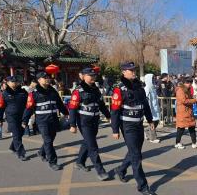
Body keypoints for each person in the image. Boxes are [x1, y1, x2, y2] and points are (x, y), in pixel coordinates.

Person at [111, 62, 156, 195]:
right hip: (127, 126)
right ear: (124, 72)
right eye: (130, 70)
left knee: (134, 152)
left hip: (139, 124)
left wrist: (150, 119)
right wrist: (115, 130)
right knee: (136, 156)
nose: (133, 71)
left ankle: (121, 170)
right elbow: (114, 110)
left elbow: (145, 105)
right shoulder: (119, 89)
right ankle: (142, 186)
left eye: (134, 69)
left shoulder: (139, 87)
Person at [69, 67, 111, 181]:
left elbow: (101, 104)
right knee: (93, 146)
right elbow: (72, 108)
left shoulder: (96, 89)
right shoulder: (78, 91)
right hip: (84, 121)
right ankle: (100, 171)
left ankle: (79, 162)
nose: (93, 77)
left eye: (94, 75)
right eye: (90, 75)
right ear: (83, 76)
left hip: (95, 120)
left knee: (87, 142)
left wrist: (108, 115)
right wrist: (72, 125)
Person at [22, 72, 69, 171]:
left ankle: (41, 152)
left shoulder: (53, 90)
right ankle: (52, 162)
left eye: (48, 77)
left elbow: (59, 104)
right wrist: (25, 120)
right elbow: (29, 108)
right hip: (42, 121)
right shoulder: (34, 93)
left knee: (51, 139)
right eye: (44, 78)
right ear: (39, 80)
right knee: (48, 140)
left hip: (53, 119)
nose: (47, 79)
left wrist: (66, 113)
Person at [0, 76, 28, 161]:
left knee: (21, 133)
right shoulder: (4, 93)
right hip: (11, 117)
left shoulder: (23, 92)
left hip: (22, 116)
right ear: (8, 83)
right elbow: (0, 107)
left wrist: (29, 114)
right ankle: (21, 153)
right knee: (16, 134)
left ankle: (13, 147)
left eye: (16, 81)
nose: (14, 83)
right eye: (12, 81)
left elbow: (28, 105)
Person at [174, 77, 197, 149]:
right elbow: (184, 101)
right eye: (188, 83)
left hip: (188, 111)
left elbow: (190, 98)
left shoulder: (186, 90)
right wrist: (194, 100)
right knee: (181, 128)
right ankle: (177, 143)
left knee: (192, 127)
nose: (189, 85)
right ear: (184, 83)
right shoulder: (180, 90)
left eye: (190, 83)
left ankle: (194, 143)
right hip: (183, 112)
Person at [144, 74, 161, 143]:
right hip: (150, 108)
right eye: (152, 78)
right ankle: (153, 138)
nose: (154, 80)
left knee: (156, 121)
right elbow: (146, 99)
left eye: (154, 78)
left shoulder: (153, 87)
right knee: (152, 123)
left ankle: (146, 131)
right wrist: (148, 109)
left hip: (155, 108)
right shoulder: (147, 88)